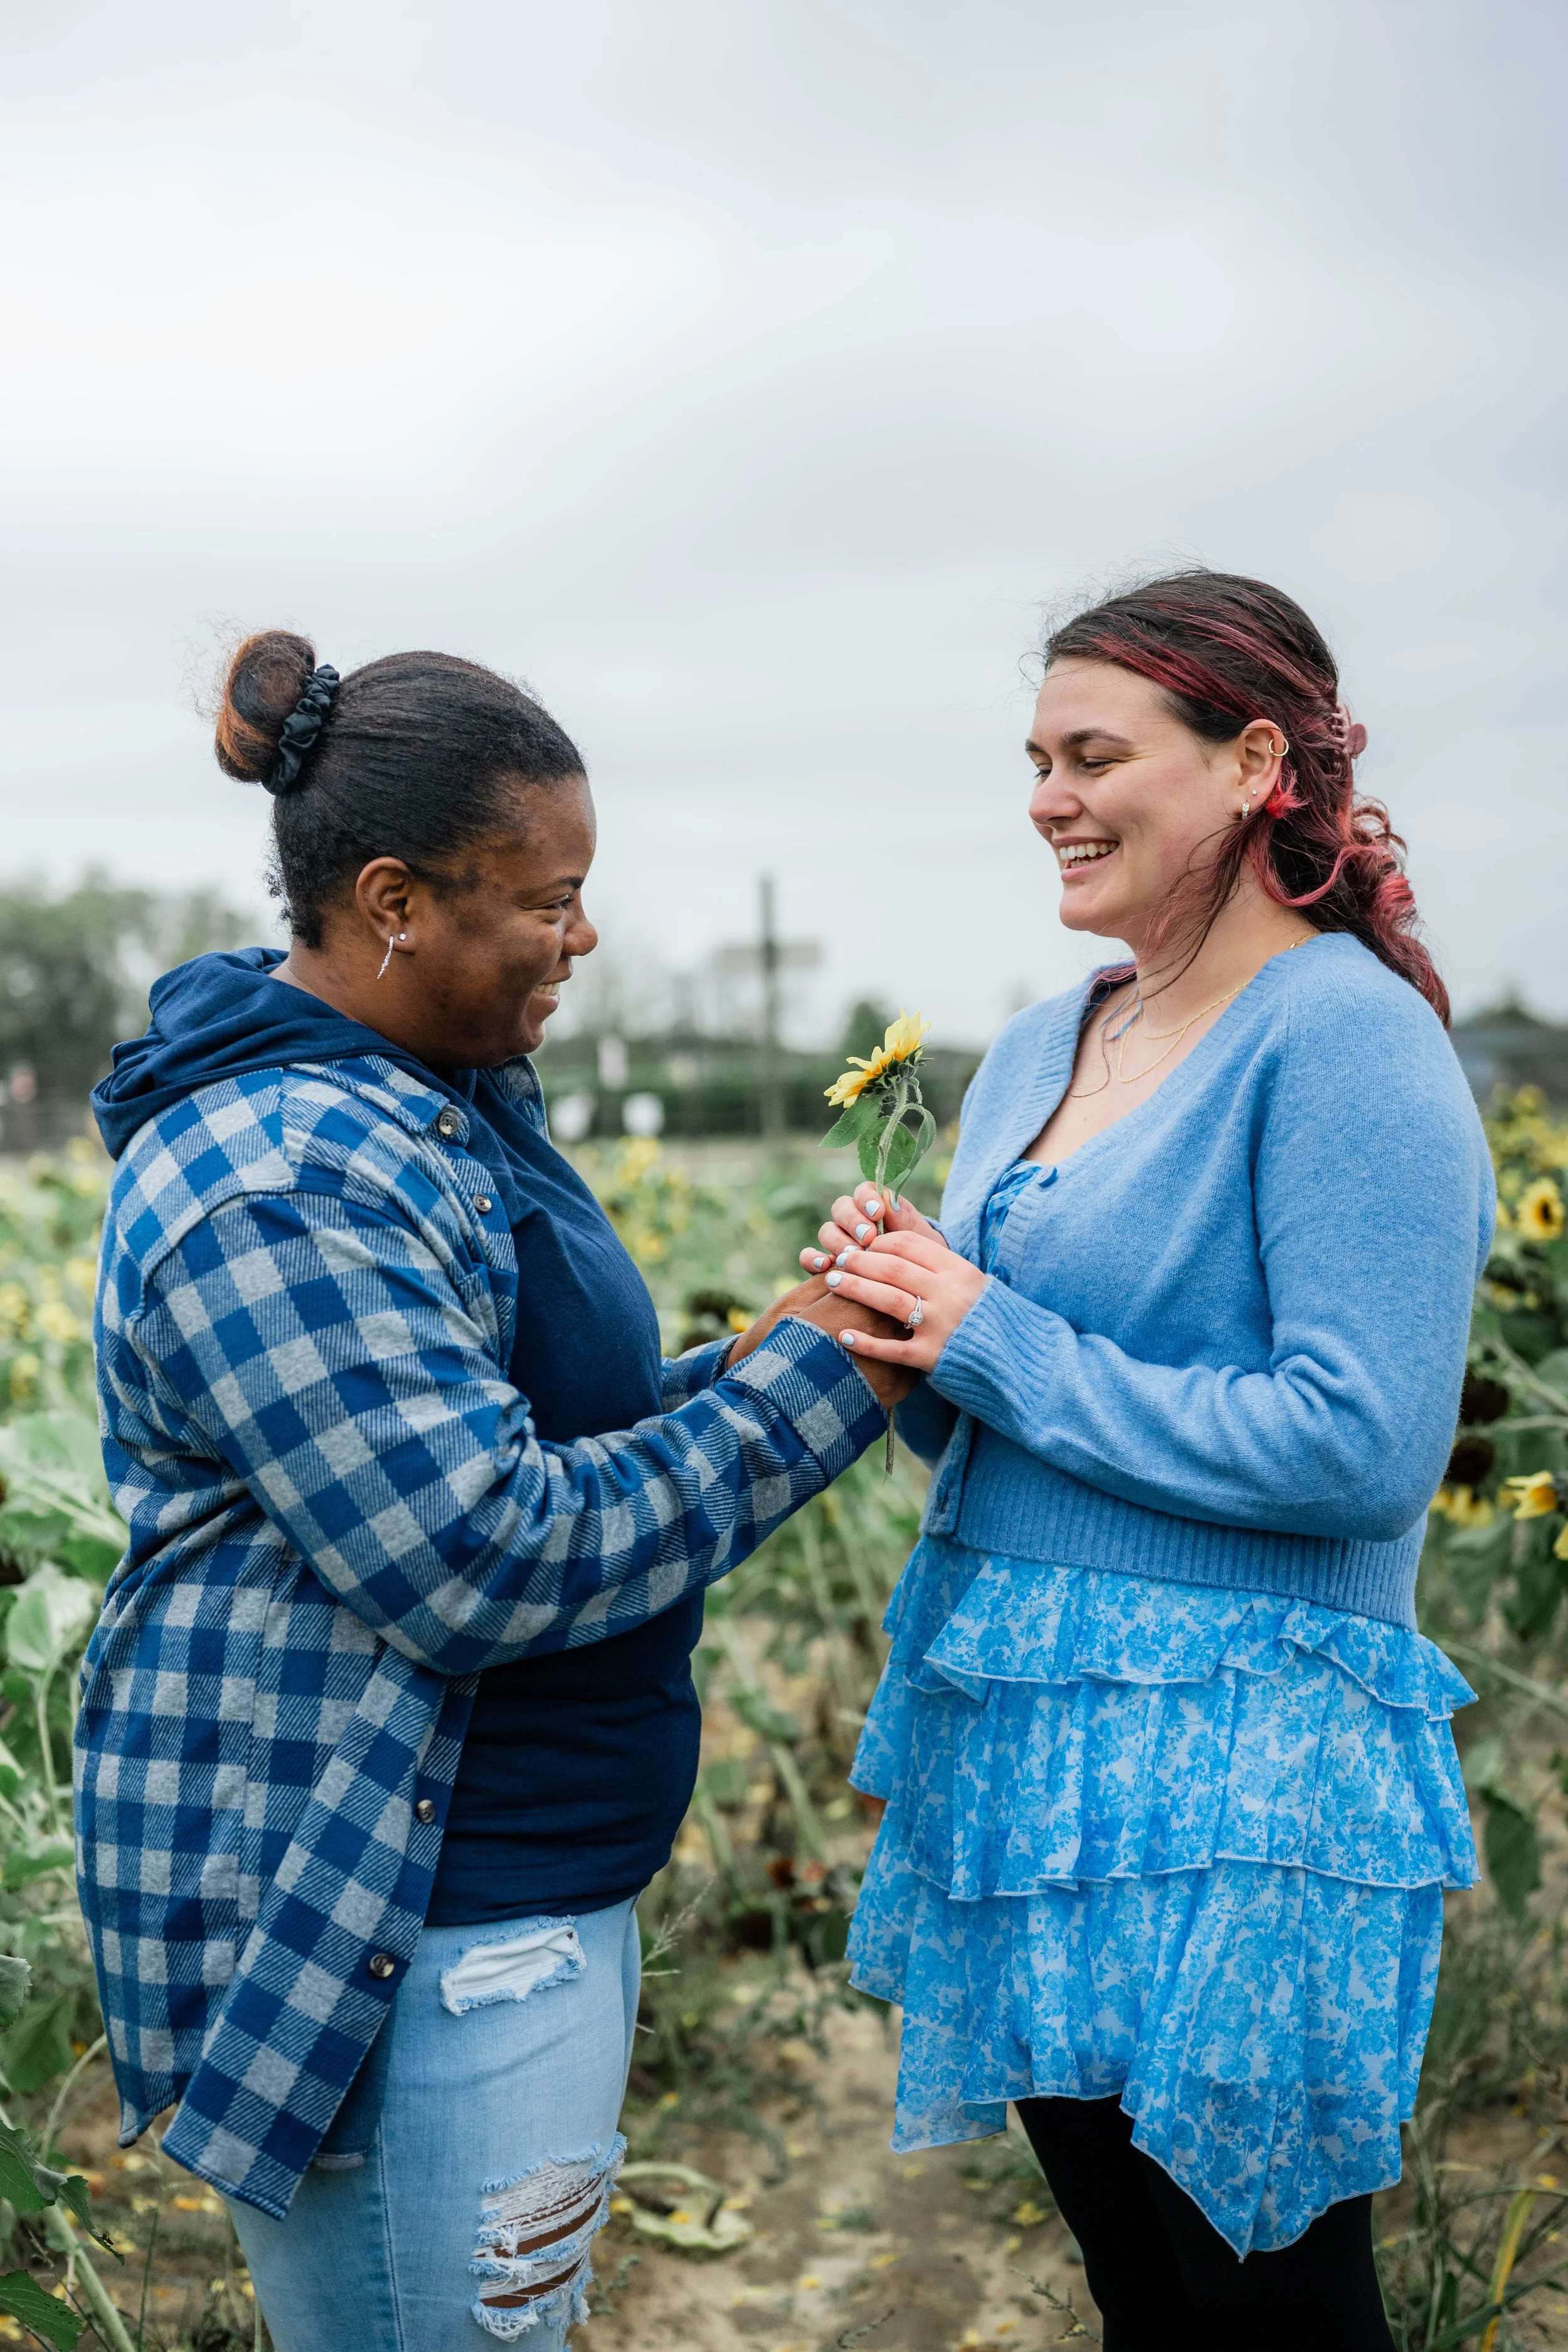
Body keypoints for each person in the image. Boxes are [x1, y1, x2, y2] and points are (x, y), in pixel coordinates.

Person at [78, 632, 908, 2351]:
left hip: (503, 1895)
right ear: (392, 897)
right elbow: (476, 1549)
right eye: (548, 896)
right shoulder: (284, 1175)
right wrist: (813, 1392)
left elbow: (535, 1430)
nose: (582, 934)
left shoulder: (442, 1102)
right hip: (391, 1919)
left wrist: (785, 1346)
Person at [805, 571, 1490, 2350]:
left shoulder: (1345, 1039)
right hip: (1029, 1743)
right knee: (1137, 2290)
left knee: (1267, 2302)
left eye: (1093, 752)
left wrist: (992, 1334)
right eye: (1034, 755)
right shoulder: (1042, 1043)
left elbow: (1359, 1445)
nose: (1046, 792)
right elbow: (995, 1409)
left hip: (1245, 1762)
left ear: (1253, 761)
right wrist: (900, 1325)